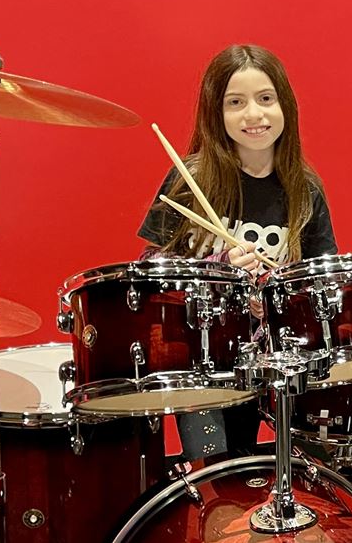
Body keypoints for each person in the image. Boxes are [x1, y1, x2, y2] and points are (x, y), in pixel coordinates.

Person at [138, 43, 336, 461]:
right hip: (201, 361)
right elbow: (150, 269)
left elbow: (318, 281)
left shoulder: (304, 191)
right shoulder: (189, 178)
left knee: (255, 464)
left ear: (285, 106)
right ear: (216, 113)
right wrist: (217, 268)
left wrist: (273, 297)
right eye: (235, 102)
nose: (253, 115)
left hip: (266, 357)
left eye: (266, 99)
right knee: (212, 468)